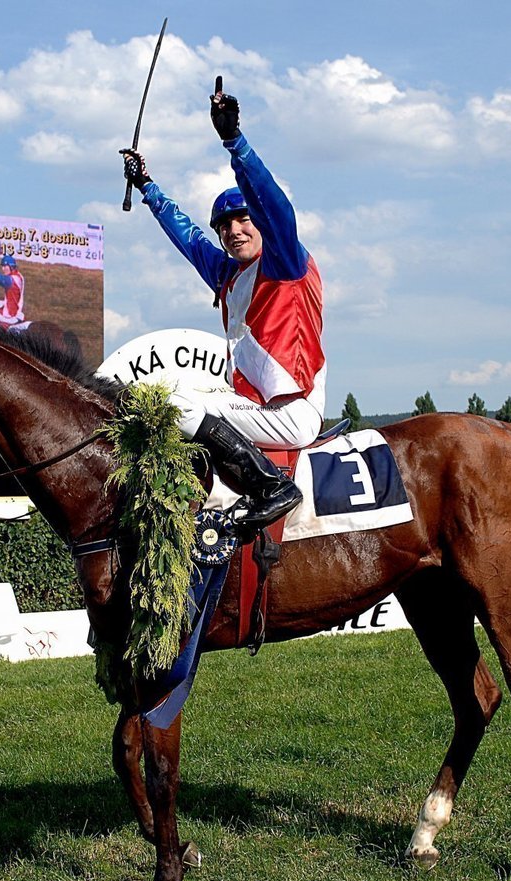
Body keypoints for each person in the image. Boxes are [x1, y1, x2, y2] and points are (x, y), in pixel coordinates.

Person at [121, 78, 326, 539]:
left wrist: (235, 142)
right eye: (225, 226)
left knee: (174, 402)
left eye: (242, 220)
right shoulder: (230, 275)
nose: (233, 231)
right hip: (258, 409)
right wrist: (148, 186)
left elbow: (274, 207)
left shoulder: (285, 260)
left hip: (290, 413)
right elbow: (189, 237)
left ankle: (270, 486)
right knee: (174, 389)